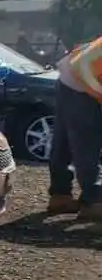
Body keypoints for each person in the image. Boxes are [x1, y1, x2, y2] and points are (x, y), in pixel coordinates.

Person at [47, 34, 102, 220]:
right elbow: (83, 63)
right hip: (80, 82)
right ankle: (94, 201)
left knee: (64, 140)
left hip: (68, 79)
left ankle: (60, 195)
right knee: (86, 141)